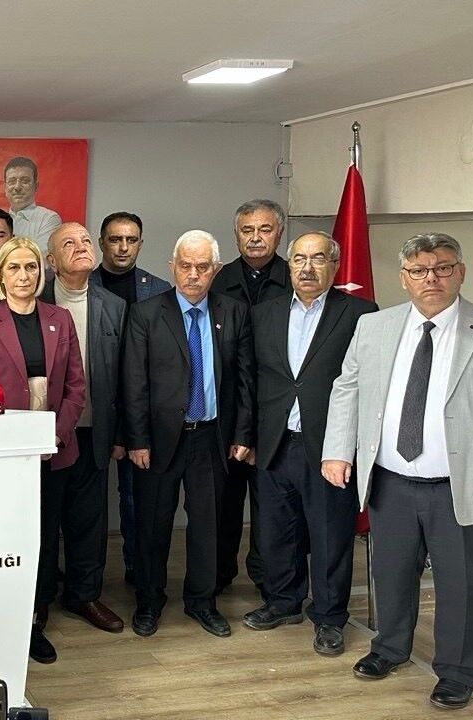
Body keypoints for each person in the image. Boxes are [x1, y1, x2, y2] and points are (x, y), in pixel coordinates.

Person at [323, 233, 473, 710]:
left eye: (442, 267)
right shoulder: (374, 326)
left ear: (460, 272)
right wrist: (337, 451)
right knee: (391, 573)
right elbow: (347, 388)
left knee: (463, 585)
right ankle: (389, 648)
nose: (430, 278)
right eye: (419, 270)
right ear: (404, 278)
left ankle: (458, 672)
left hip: (466, 485)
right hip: (390, 481)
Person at [245, 232, 377, 657]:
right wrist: (248, 436)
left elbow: (367, 385)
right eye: (299, 259)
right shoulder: (264, 313)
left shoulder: (360, 314)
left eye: (318, 258)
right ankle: (283, 603)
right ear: (289, 265)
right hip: (275, 442)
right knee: (275, 531)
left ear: (334, 266)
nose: (307, 267)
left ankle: (329, 617)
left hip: (328, 448)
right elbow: (253, 379)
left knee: (329, 536)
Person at [122, 230, 254, 639]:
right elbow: (134, 383)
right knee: (153, 524)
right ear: (172, 267)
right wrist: (137, 439)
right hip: (159, 440)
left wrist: (242, 433)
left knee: (207, 526)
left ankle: (202, 601)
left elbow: (245, 380)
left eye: (202, 267)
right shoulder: (146, 313)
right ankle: (149, 601)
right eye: (185, 266)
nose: (193, 275)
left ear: (216, 269)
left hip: (212, 438)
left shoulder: (233, 312)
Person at [0, 236, 86, 663]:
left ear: (42, 272)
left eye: (31, 267)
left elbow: (76, 386)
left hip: (54, 449)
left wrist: (56, 433)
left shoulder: (60, 318)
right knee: (7, 537)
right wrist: (16, 440)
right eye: (14, 267)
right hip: (5, 455)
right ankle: (1, 618)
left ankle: (36, 618)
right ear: (1, 276)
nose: (23, 275)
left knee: (45, 537)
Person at [40, 223, 128, 636]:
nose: (82, 247)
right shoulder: (34, 300)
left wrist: (121, 435)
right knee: (43, 521)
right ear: (51, 261)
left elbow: (127, 375)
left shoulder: (114, 306)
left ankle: (84, 594)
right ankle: (40, 600)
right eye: (69, 243)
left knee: (89, 521)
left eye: (86, 241)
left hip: (94, 431)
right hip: (46, 434)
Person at [213, 199, 292, 599]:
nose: (255, 238)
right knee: (223, 502)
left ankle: (268, 580)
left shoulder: (297, 279)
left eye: (264, 229)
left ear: (279, 233)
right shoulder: (217, 279)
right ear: (236, 235)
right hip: (227, 412)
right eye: (247, 230)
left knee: (272, 506)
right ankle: (218, 574)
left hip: (280, 412)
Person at [93, 211, 171, 584]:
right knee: (88, 501)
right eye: (115, 239)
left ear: (140, 243)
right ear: (101, 243)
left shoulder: (158, 289)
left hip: (140, 410)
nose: (123, 247)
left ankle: (138, 571)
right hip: (93, 408)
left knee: (135, 498)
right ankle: (85, 579)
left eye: (131, 240)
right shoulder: (81, 284)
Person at [3, 156, 62, 254]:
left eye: (25, 181)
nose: (17, 187)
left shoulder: (48, 219)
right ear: (5, 187)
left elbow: (41, 258)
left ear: (36, 186)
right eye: (12, 181)